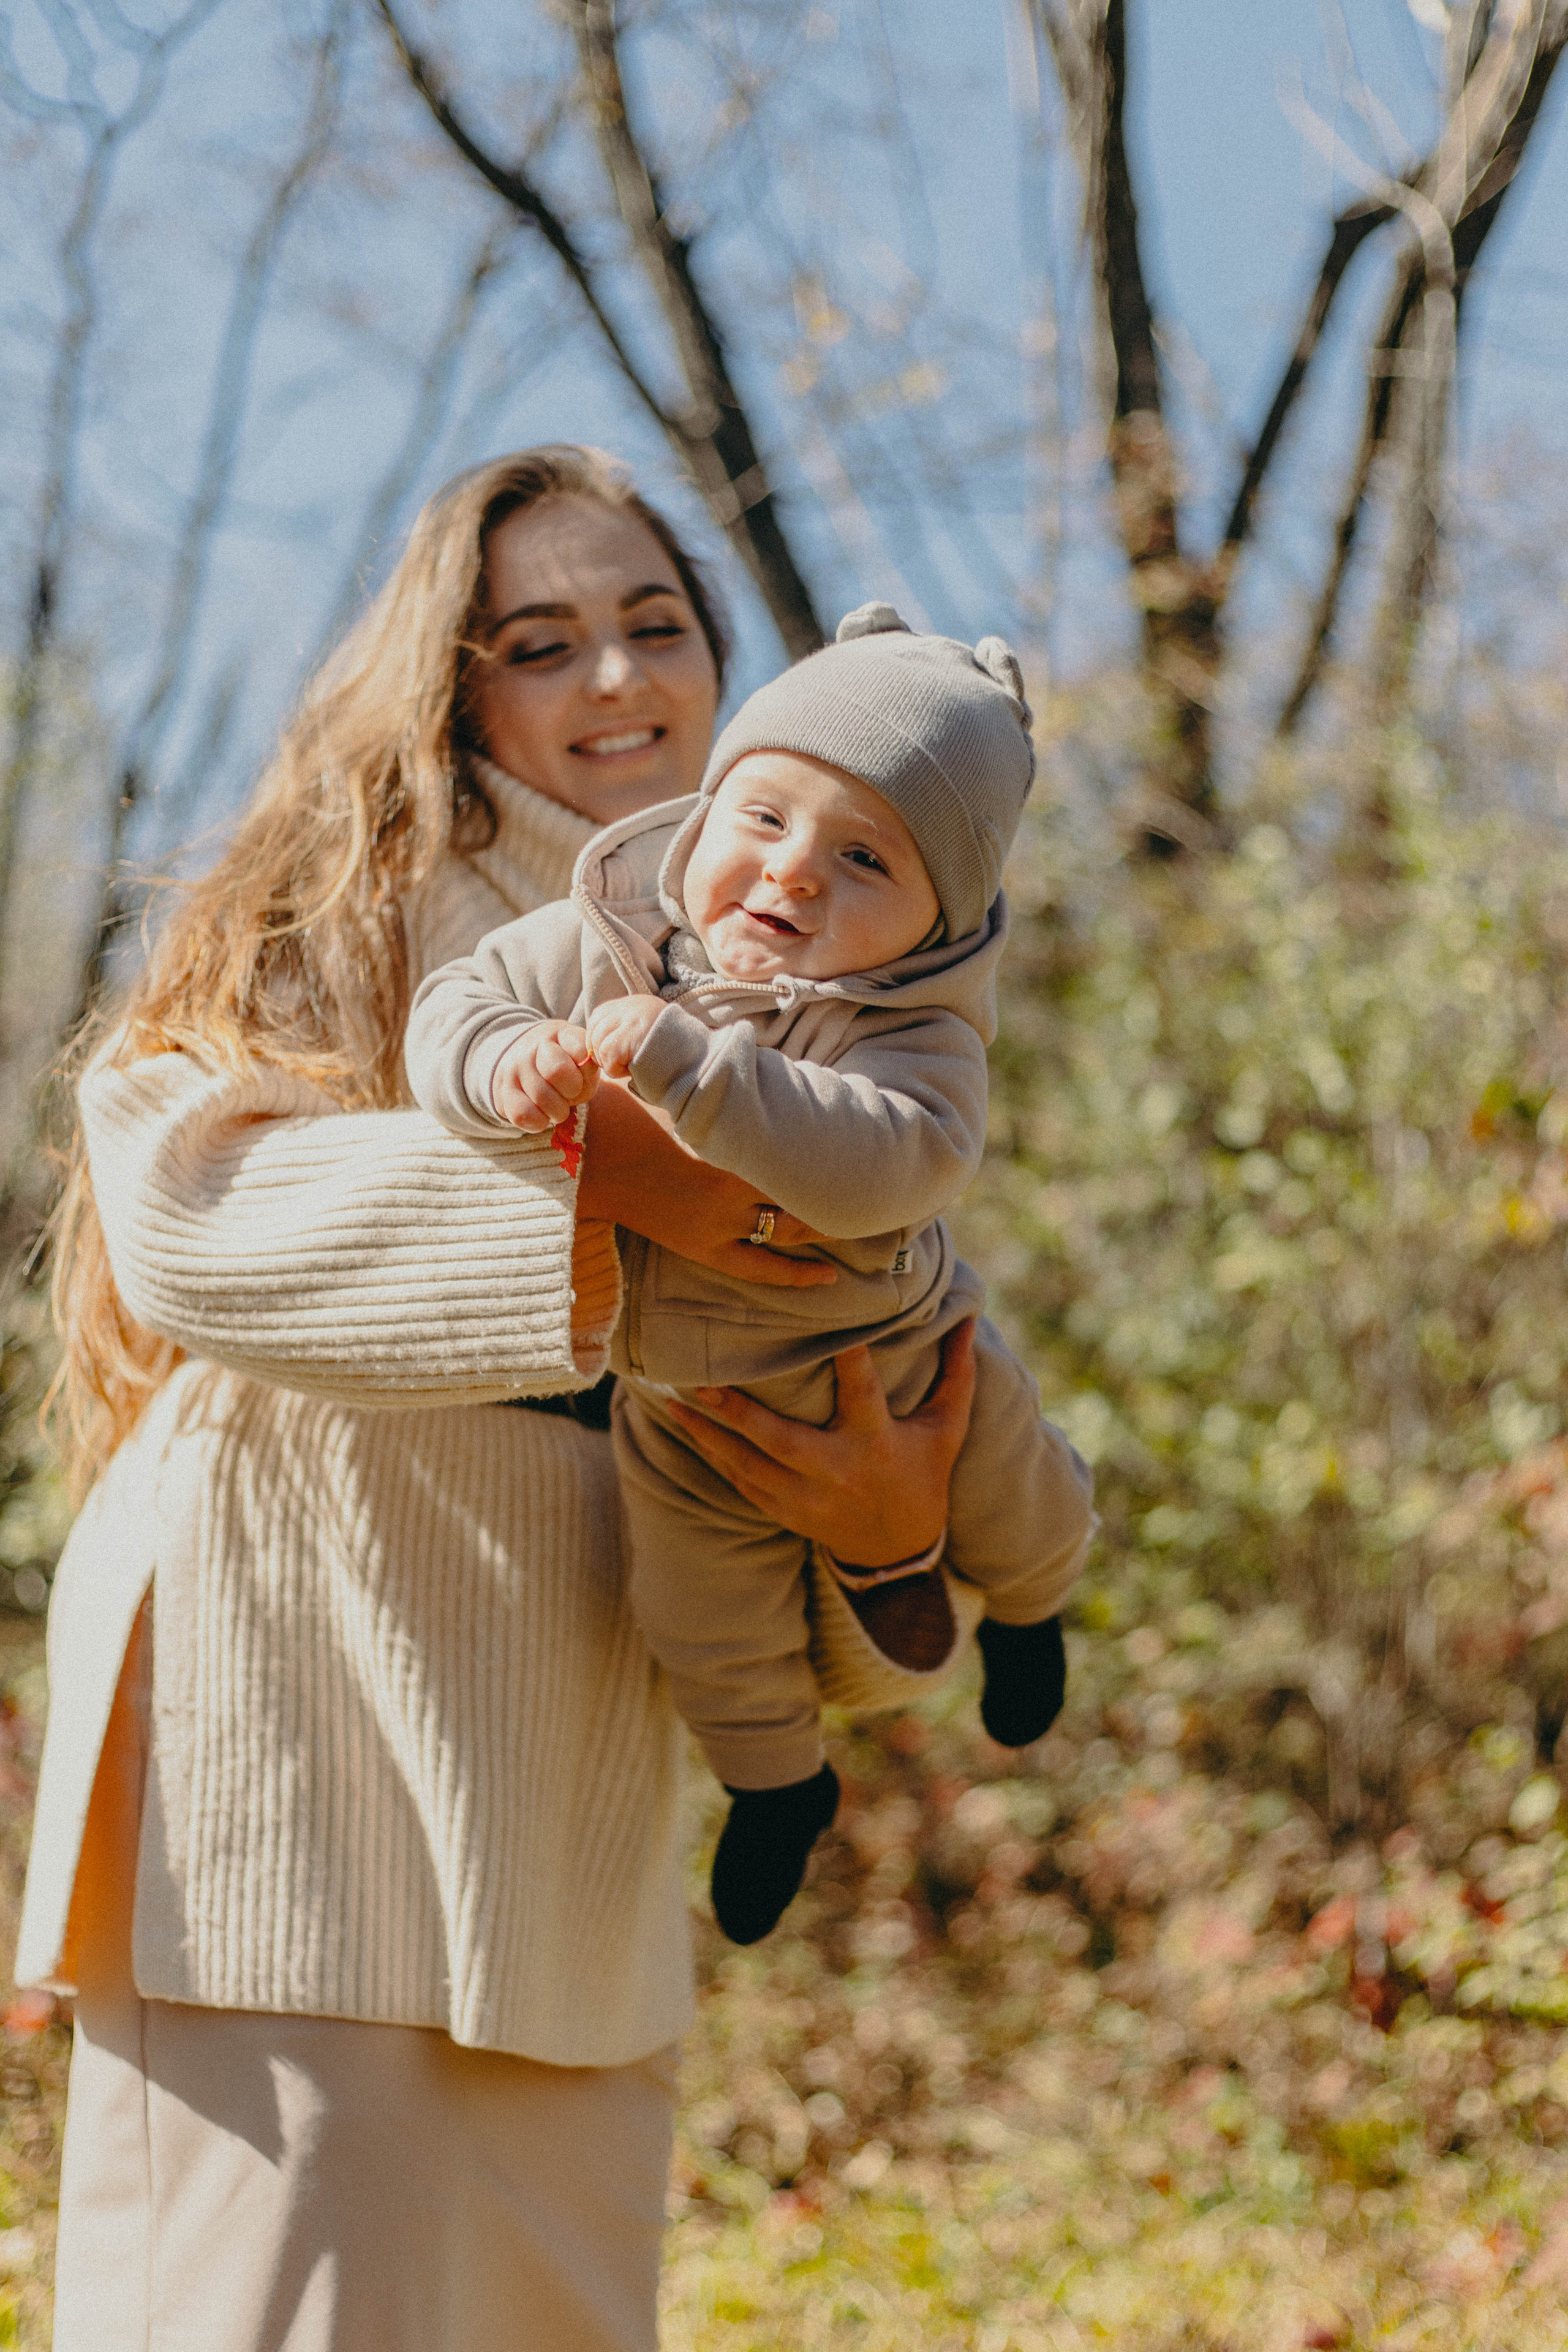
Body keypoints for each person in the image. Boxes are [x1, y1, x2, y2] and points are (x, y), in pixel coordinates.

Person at [15, 447, 982, 2352]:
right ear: (453, 685)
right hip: (286, 1750)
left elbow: (820, 1436)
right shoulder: (336, 905)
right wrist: (599, 1195)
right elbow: (188, 1213)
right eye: (544, 642)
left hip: (568, 1812)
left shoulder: (844, 994)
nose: (620, 681)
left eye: (658, 626)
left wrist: (893, 1556)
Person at [404, 603, 1095, 1946]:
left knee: (1022, 1500)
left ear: (930, 920)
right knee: (696, 1618)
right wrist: (498, 1068)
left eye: (862, 859)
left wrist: (685, 1067)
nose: (790, 876)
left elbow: (880, 1170)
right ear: (706, 809)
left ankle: (1031, 1615)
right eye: (762, 818)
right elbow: (459, 1002)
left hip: (899, 1358)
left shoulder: (909, 1026)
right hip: (679, 1404)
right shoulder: (605, 934)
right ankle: (776, 1788)